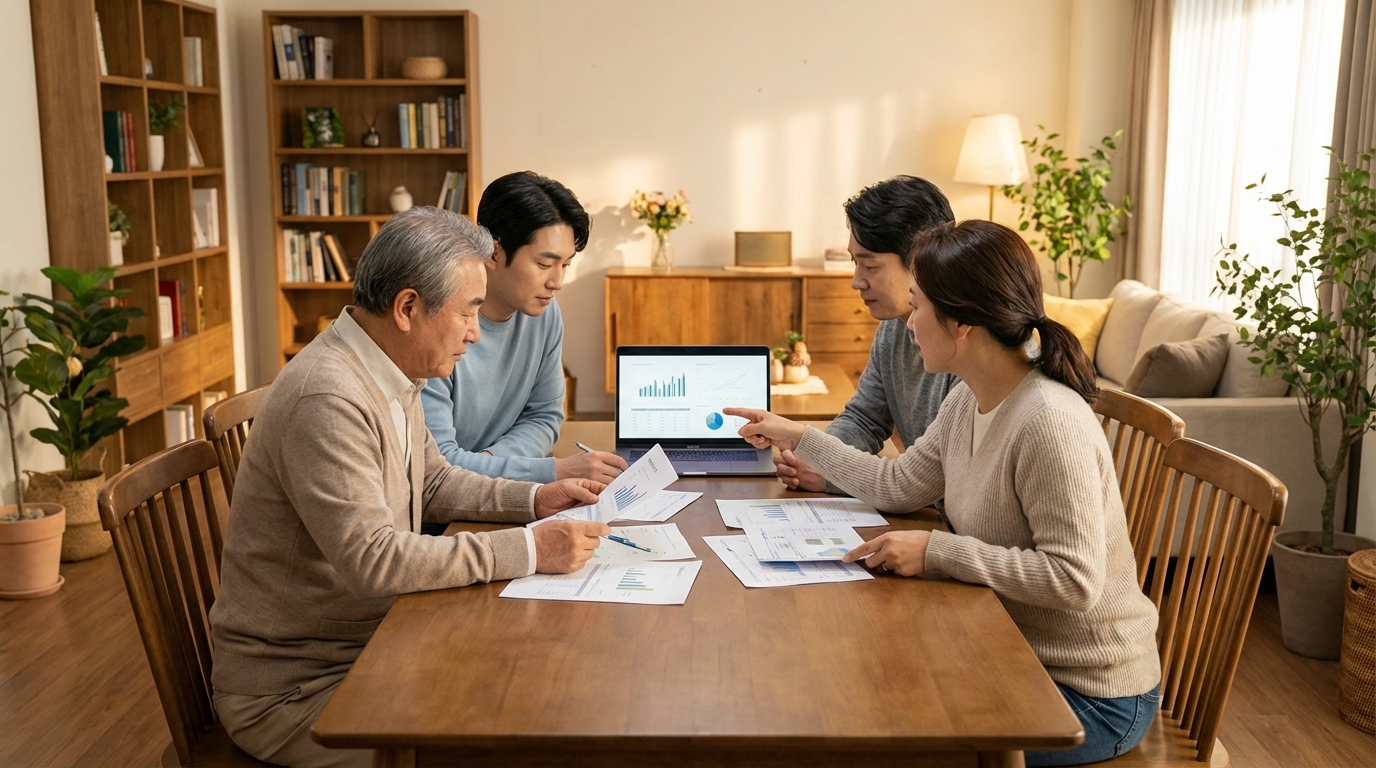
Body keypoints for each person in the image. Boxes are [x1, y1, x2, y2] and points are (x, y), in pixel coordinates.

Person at [726, 220, 1161, 766]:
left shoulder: (1048, 421)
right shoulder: (969, 400)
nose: (907, 324)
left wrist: (939, 552)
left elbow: (1073, 580)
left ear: (962, 326)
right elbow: (898, 483)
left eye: (918, 307)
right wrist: (797, 434)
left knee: (883, 733)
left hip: (1085, 695)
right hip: (1010, 652)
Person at [209, 207, 611, 768]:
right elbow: (373, 560)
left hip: (369, 644)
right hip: (297, 691)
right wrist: (528, 549)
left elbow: (435, 479)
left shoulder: (392, 369)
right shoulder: (330, 397)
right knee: (524, 729)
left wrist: (534, 500)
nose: (476, 332)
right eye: (468, 311)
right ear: (407, 307)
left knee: (542, 689)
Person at [422, 171, 626, 488]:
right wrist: (543, 471)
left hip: (497, 491)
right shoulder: (438, 321)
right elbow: (439, 464)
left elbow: (545, 416)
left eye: (566, 264)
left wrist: (493, 466)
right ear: (493, 252)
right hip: (440, 514)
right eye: (545, 265)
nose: (557, 282)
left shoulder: (544, 313)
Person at [774, 176, 960, 494]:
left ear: (923, 261)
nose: (856, 281)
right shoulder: (892, 327)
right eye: (854, 262)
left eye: (870, 266)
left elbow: (938, 479)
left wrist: (832, 472)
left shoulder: (968, 344)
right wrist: (812, 459)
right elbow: (864, 419)